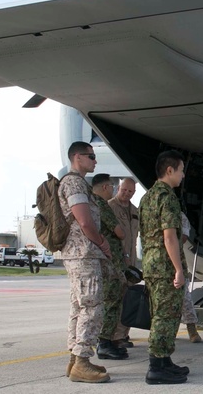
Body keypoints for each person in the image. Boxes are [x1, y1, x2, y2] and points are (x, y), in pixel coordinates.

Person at [59, 141, 112, 383]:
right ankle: (81, 361)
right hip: (84, 254)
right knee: (92, 307)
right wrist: (102, 242)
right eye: (91, 156)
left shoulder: (78, 183)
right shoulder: (73, 182)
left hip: (80, 254)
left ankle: (75, 360)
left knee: (79, 307)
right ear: (77, 157)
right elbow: (84, 220)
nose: (95, 161)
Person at [138, 150, 190, 384]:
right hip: (165, 266)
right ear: (169, 170)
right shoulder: (167, 197)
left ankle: (164, 360)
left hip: (151, 263)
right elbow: (169, 236)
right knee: (165, 316)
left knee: (162, 313)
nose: (182, 176)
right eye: (180, 170)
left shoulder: (147, 197)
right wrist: (178, 268)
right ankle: (156, 367)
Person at [91, 173, 128, 360]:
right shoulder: (101, 204)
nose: (113, 190)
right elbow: (119, 232)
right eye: (112, 187)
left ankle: (105, 341)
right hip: (110, 263)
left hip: (99, 261)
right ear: (106, 187)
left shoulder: (88, 203)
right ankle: (105, 342)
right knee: (112, 302)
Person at [108, 177, 140, 348]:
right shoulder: (109, 207)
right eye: (124, 190)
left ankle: (122, 334)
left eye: (130, 191)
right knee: (115, 298)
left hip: (131, 261)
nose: (126, 194)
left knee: (128, 298)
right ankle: (111, 336)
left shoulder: (135, 211)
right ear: (118, 188)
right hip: (115, 260)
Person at [179, 213, 203, 343]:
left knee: (184, 298)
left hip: (175, 258)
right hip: (156, 263)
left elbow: (184, 236)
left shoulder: (179, 214)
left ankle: (192, 329)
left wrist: (169, 239)